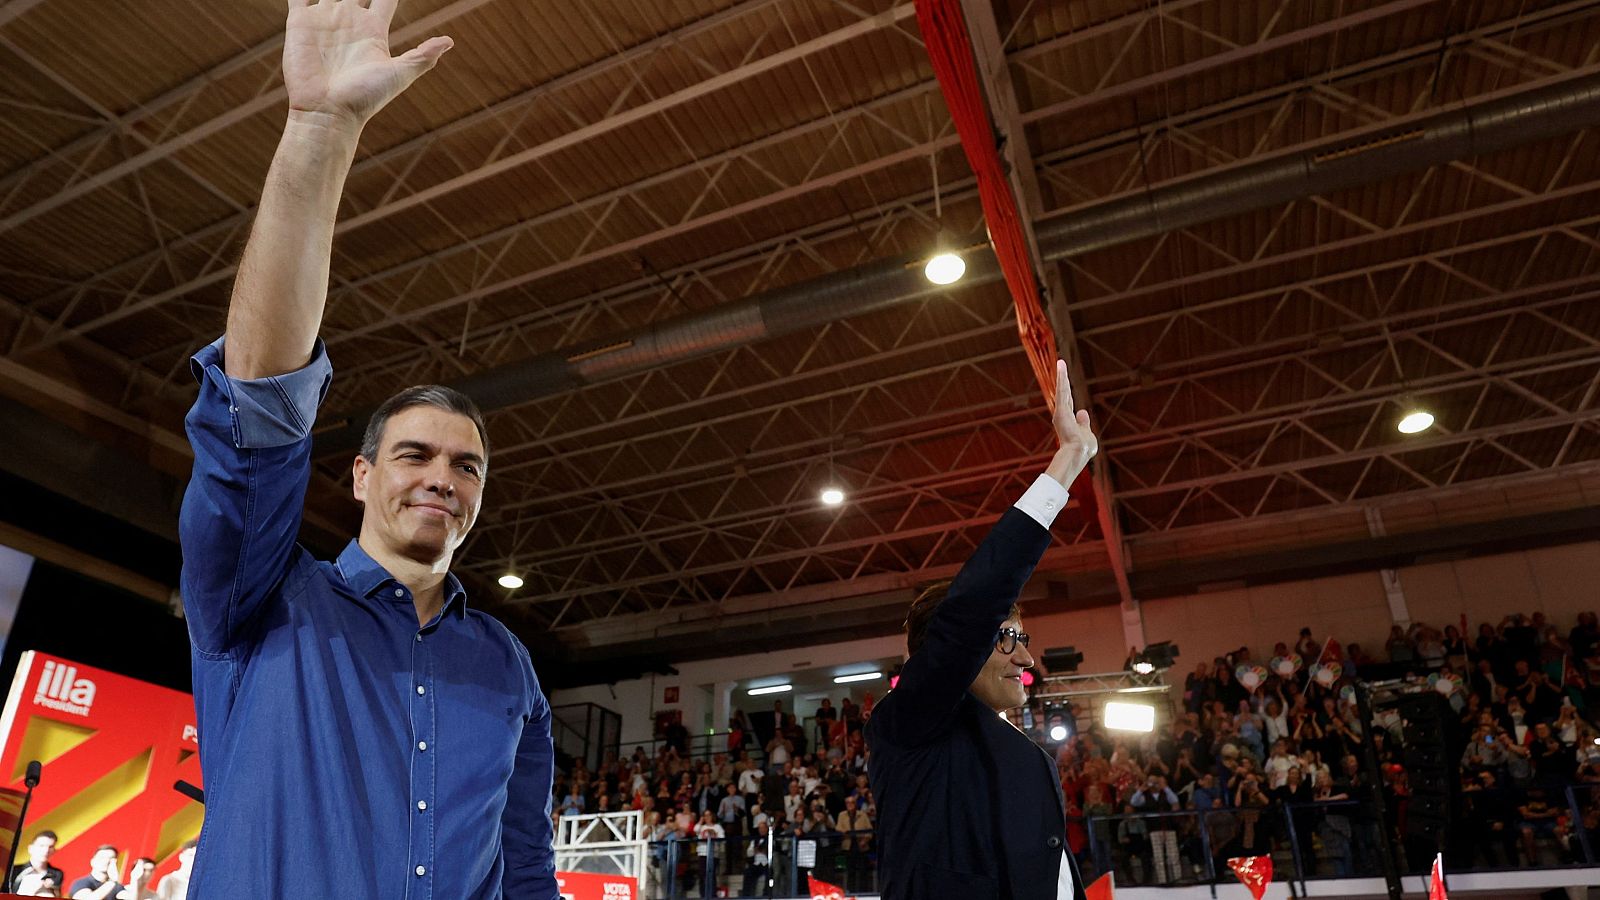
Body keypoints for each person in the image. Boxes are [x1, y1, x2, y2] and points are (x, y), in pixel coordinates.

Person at [176, 2, 554, 897]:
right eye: (416, 454)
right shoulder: (262, 598)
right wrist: (321, 130)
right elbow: (259, 408)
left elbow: (526, 866)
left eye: (468, 467)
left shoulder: (507, 667)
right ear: (360, 474)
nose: (442, 479)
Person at [866, 359, 1094, 900]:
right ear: (952, 647)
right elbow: (974, 607)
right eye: (1008, 638)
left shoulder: (1014, 745)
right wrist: (1065, 465)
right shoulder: (910, 724)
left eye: (1025, 641)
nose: (1026, 659)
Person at [10, 831, 64, 896]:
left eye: (50, 847)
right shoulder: (15, 870)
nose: (46, 850)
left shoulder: (57, 874)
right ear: (31, 848)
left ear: (54, 851)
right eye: (41, 846)